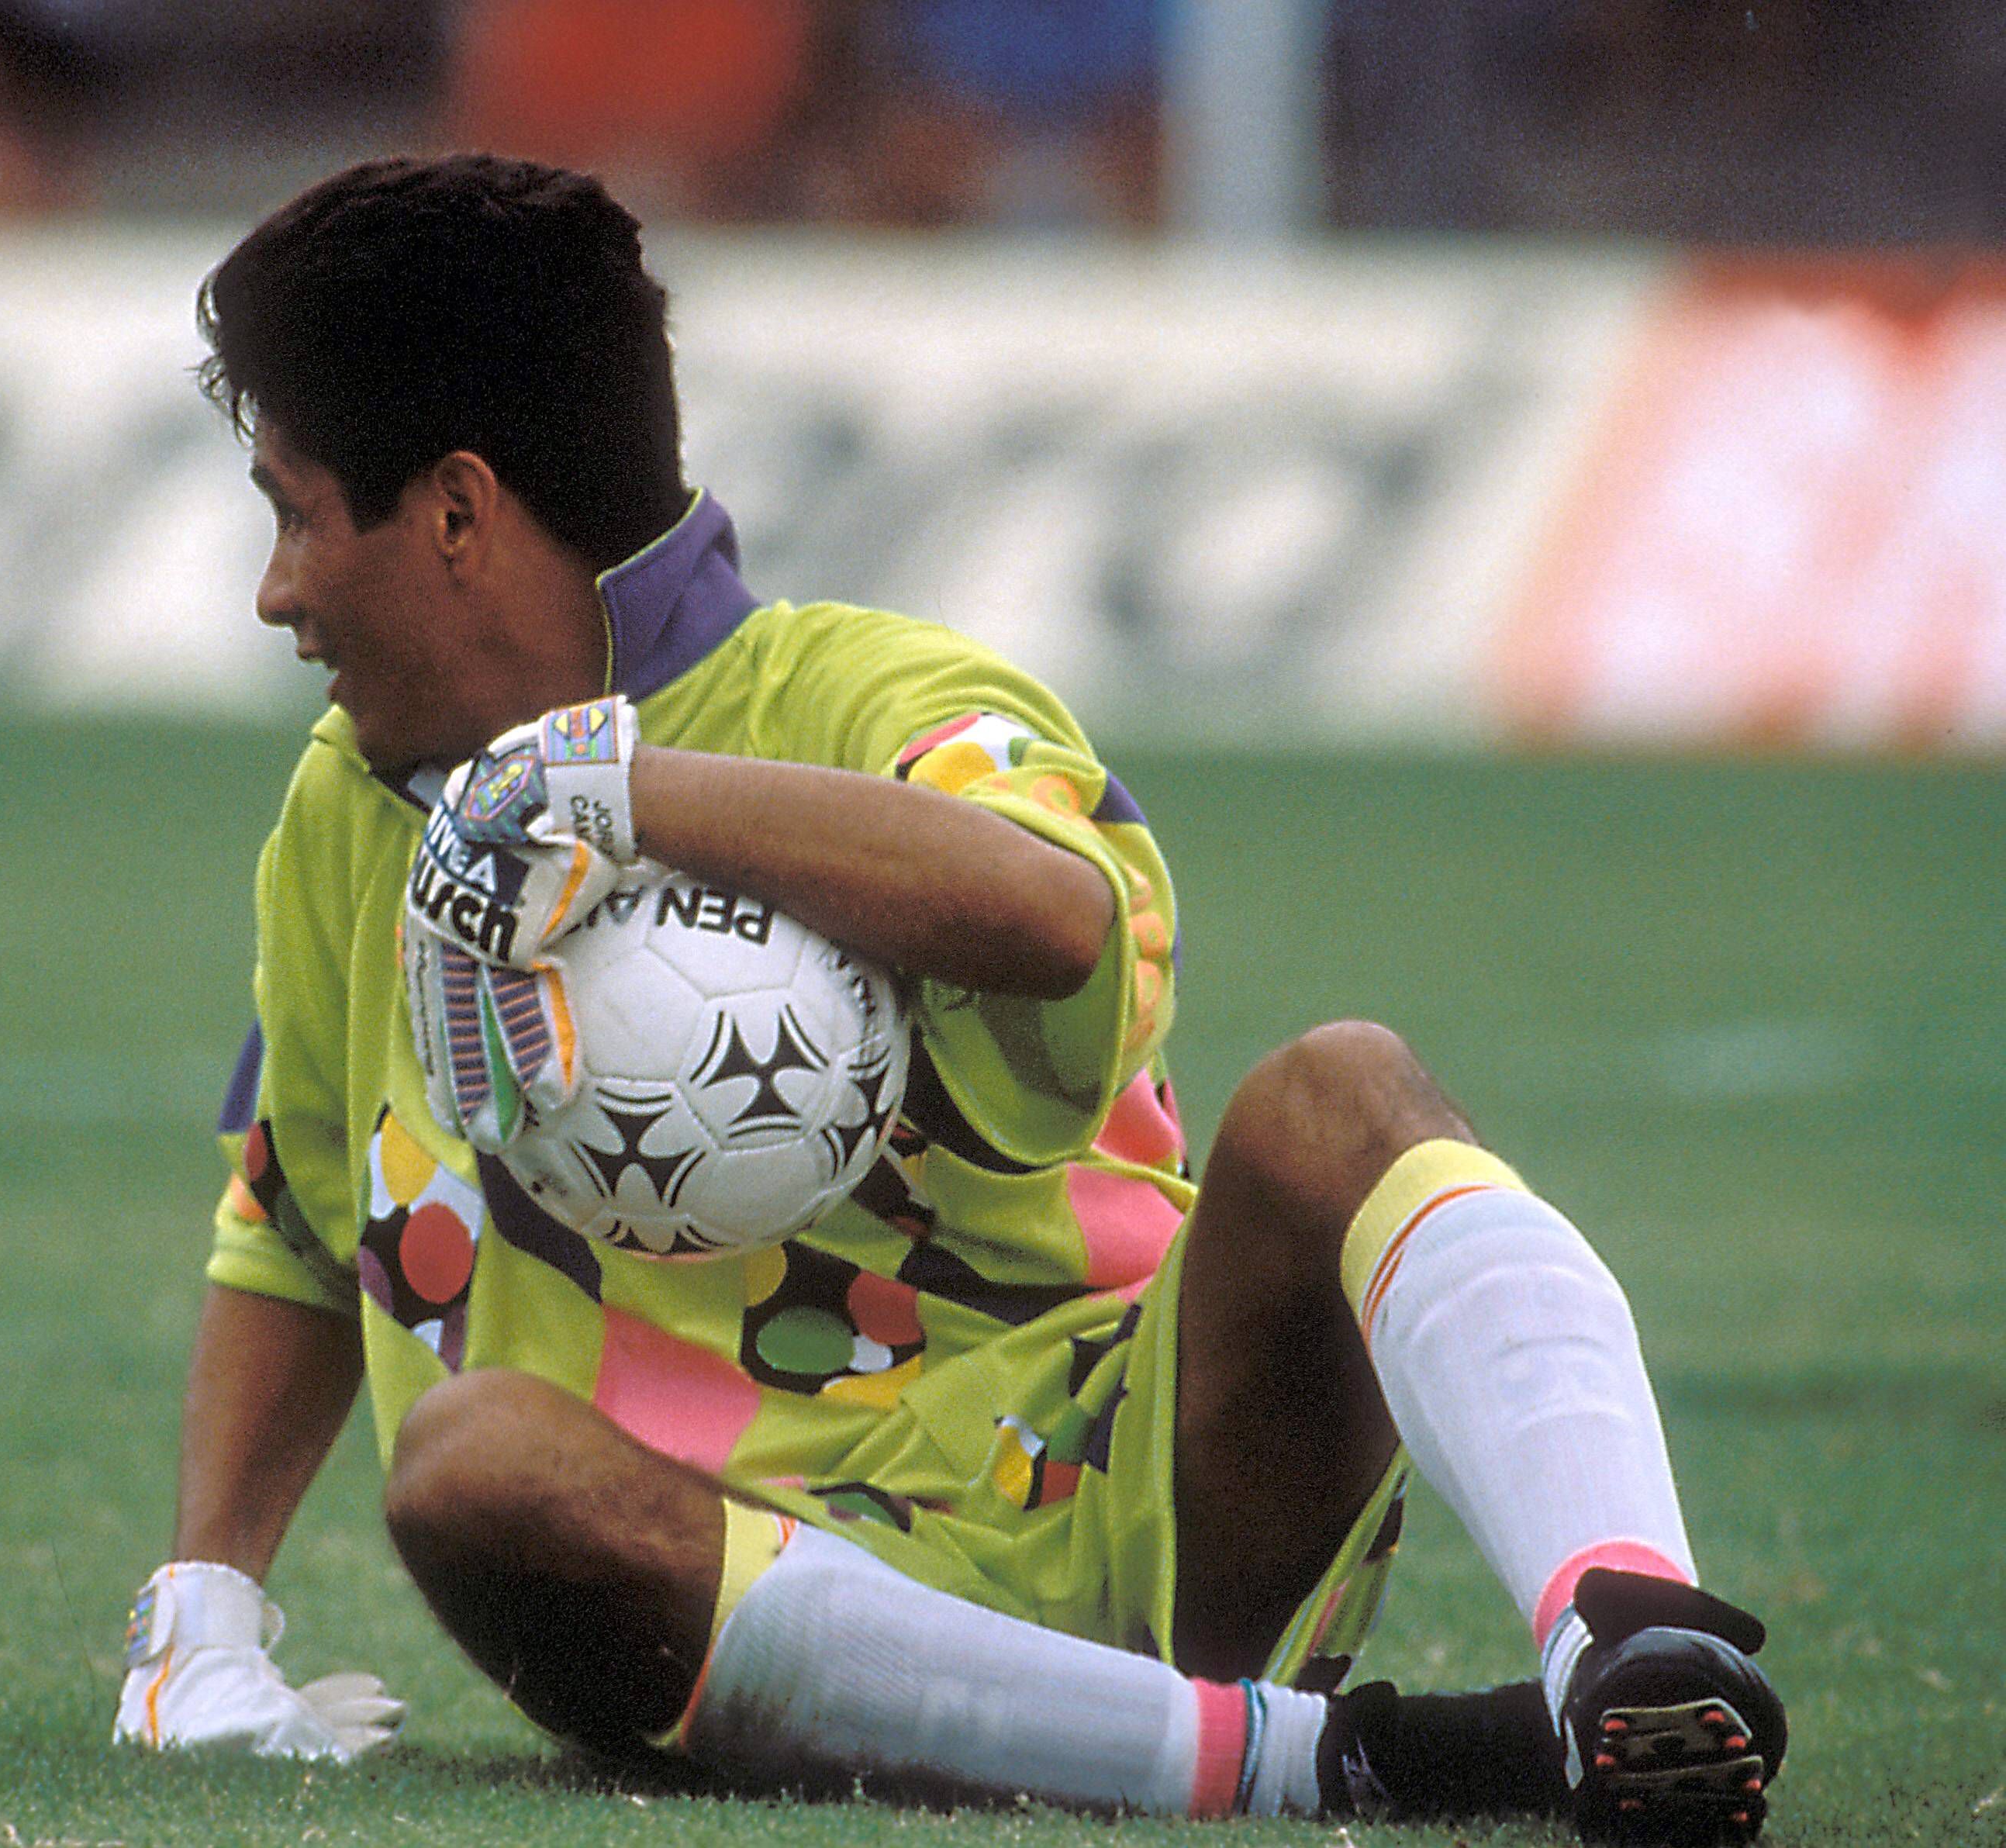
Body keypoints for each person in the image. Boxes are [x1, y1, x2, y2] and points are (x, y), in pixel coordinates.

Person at [112, 154, 1785, 1843]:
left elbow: (1049, 914)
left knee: (1344, 1090)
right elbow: (299, 1212)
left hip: (1124, 1489)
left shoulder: (886, 693)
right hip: (721, 1579)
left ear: (456, 511)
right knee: (471, 1466)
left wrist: (610, 788)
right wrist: (203, 1611)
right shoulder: (351, 812)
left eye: (295, 509)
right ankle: (1333, 1762)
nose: (278, 590)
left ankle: (1623, 1637)